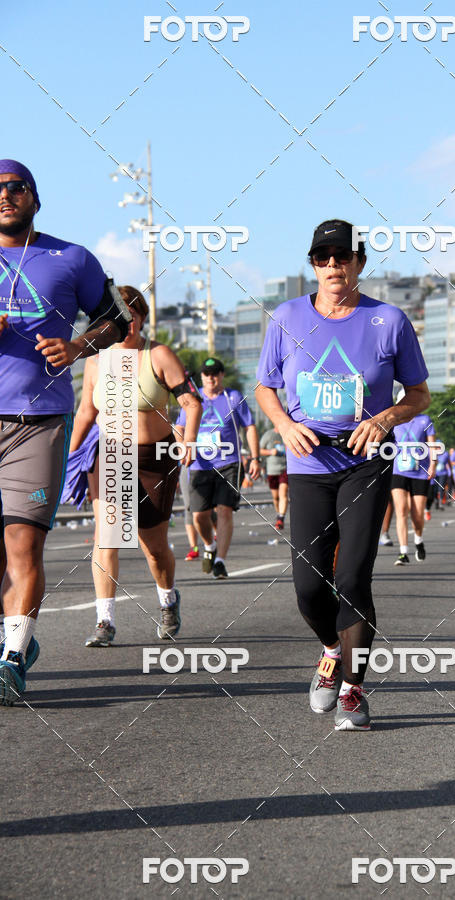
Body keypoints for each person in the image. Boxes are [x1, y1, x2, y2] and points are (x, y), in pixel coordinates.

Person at [255, 219, 430, 731]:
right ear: (312, 264)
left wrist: (382, 419)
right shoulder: (286, 317)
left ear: (359, 262)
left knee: (353, 576)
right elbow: (265, 387)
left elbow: (418, 395)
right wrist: (284, 425)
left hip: (365, 464)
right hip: (308, 463)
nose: (332, 265)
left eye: (342, 256)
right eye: (322, 257)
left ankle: (353, 689)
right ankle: (331, 650)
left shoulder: (389, 320)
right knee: (309, 586)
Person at [0, 159, 132, 704]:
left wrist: (79, 346)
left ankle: (12, 657)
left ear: (34, 196)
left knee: (23, 544)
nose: (4, 197)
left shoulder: (71, 257)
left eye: (14, 188)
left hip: (37, 424)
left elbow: (118, 319)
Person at [67, 287, 201, 646]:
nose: (127, 323)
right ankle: (105, 620)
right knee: (106, 538)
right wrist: (67, 454)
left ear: (142, 318)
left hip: (155, 459)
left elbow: (191, 402)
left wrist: (188, 439)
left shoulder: (157, 355)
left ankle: (168, 600)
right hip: (110, 455)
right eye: (118, 317)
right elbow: (85, 413)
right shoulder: (96, 361)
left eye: (133, 315)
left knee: (153, 547)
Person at [177, 357, 260, 579]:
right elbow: (180, 426)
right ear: (201, 377)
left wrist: (255, 458)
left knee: (224, 510)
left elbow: (249, 427)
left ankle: (220, 561)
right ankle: (209, 546)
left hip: (228, 463)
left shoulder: (233, 398)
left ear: (222, 375)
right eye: (206, 373)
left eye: (215, 373)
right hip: (198, 465)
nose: (211, 377)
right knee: (199, 517)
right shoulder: (193, 400)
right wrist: (181, 447)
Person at [392, 414, 436, 563]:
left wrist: (433, 464)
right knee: (401, 510)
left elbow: (432, 444)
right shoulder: (394, 419)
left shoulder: (425, 420)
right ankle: (403, 552)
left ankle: (418, 540)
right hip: (398, 471)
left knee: (417, 515)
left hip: (420, 472)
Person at [260, 427, 288, 530]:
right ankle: (278, 513)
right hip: (272, 469)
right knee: (275, 497)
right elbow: (259, 450)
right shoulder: (268, 435)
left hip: (286, 467)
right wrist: (271, 452)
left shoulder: (287, 432)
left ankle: (281, 518)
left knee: (283, 492)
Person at [425, 444, 451, 515]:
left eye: (439, 447)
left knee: (441, 488)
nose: (438, 448)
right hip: (435, 474)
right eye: (436, 447)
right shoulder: (432, 453)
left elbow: (449, 463)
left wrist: (450, 472)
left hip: (443, 473)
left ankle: (440, 503)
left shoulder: (445, 454)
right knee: (435, 489)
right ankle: (436, 500)